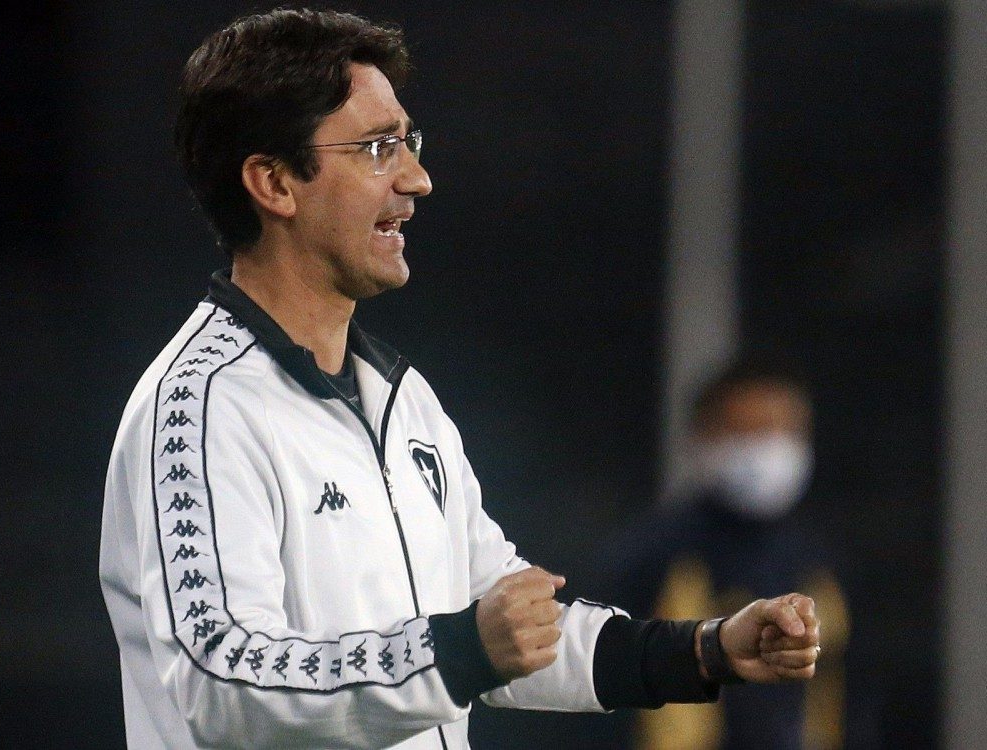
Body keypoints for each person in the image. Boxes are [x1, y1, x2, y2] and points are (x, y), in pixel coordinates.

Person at [98, 10, 820, 749]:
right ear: (274, 182)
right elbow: (223, 681)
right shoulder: (199, 409)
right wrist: (459, 651)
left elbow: (509, 625)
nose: (416, 178)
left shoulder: (402, 400)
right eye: (377, 148)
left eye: (407, 143)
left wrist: (703, 650)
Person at [603, 359, 850, 750]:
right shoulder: (656, 554)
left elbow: (840, 693)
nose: (770, 448)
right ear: (704, 437)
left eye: (786, 431)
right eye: (752, 431)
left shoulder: (819, 560)